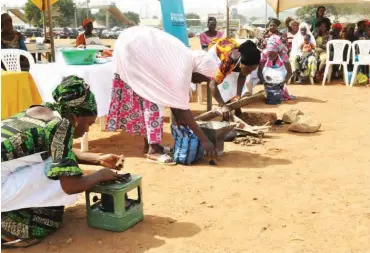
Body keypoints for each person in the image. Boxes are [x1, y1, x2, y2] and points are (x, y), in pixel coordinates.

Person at [1, 76, 124, 248]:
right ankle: (9, 232)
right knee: (63, 175)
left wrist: (97, 159)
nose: (87, 130)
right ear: (75, 117)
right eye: (88, 123)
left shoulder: (45, 112)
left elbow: (56, 148)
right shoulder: (62, 126)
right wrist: (100, 176)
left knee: (59, 166)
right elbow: (70, 185)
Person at [106, 26, 219, 165]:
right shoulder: (183, 69)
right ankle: (153, 151)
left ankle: (152, 145)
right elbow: (182, 109)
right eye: (203, 78)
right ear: (199, 70)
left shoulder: (185, 60)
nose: (201, 82)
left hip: (133, 45)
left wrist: (181, 120)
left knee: (152, 96)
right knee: (154, 102)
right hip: (133, 49)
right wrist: (204, 140)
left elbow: (176, 103)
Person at [207, 38, 261, 119]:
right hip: (215, 55)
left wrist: (238, 95)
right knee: (225, 84)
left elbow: (242, 75)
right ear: (241, 64)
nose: (250, 72)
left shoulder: (245, 57)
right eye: (249, 69)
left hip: (232, 58)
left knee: (234, 82)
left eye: (253, 70)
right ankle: (225, 109)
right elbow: (212, 84)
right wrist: (223, 105)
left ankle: (236, 110)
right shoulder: (227, 63)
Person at [258, 35, 294, 100]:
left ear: (277, 52)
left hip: (281, 71)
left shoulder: (283, 54)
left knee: (278, 79)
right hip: (269, 71)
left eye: (273, 54)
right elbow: (261, 69)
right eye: (269, 55)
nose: (270, 57)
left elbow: (289, 72)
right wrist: (264, 80)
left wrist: (282, 83)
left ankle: (281, 92)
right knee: (267, 78)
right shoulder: (264, 53)